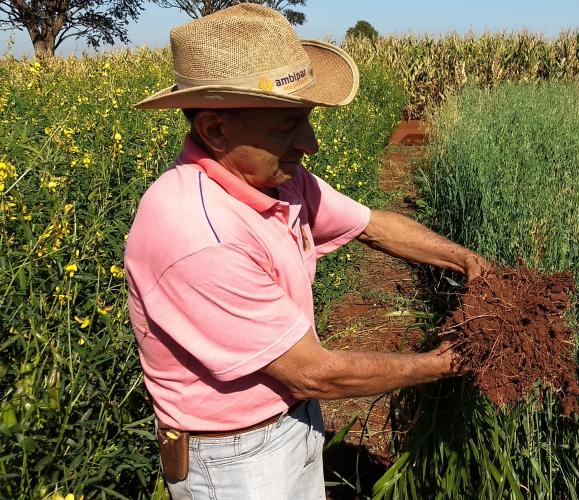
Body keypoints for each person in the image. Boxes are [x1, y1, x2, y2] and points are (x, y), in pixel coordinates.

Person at [124, 4, 486, 498]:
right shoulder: (197, 233)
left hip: (293, 418)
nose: (310, 144)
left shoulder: (277, 182)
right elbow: (314, 372)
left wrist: (467, 262)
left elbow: (373, 225)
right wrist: (444, 363)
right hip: (235, 458)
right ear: (214, 129)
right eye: (287, 126)